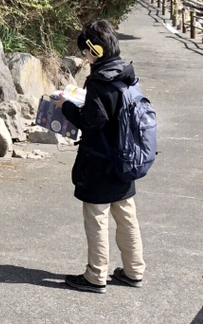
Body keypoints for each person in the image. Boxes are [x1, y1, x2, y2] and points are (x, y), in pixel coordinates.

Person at [51, 20, 145, 293]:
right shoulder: (126, 74)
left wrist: (65, 105)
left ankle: (95, 275)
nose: (84, 56)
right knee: (126, 215)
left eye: (86, 51)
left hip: (99, 161)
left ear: (96, 49)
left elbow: (91, 121)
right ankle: (134, 270)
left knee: (97, 217)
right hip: (126, 158)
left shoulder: (99, 81)